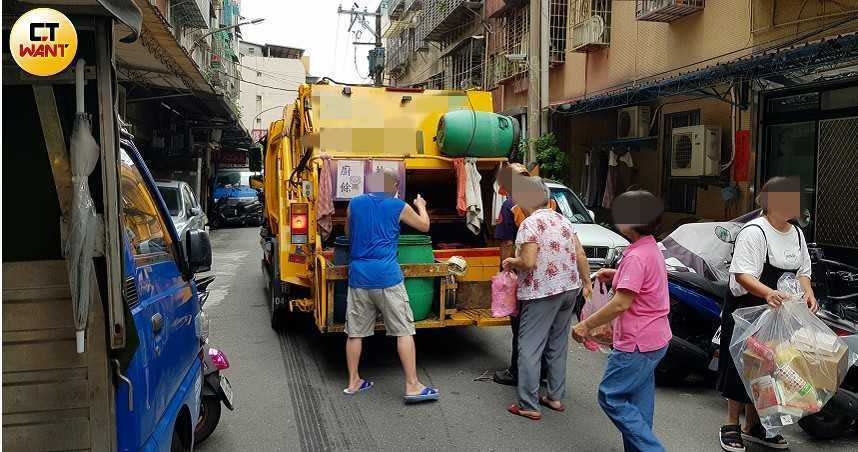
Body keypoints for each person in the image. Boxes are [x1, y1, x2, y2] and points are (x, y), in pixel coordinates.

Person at [716, 176, 817, 452]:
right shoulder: (754, 232)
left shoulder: (796, 233)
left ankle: (756, 425)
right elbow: (742, 275)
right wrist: (767, 293)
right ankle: (731, 424)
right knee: (741, 366)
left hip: (778, 313)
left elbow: (803, 271)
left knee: (771, 367)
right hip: (747, 311)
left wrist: (808, 292)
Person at [572, 190, 671, 452]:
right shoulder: (649, 247)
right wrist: (617, 274)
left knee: (611, 396)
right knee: (639, 404)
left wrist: (585, 324)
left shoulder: (636, 256)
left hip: (637, 342)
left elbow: (620, 303)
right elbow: (644, 281)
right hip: (656, 339)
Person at [343, 169, 440, 403]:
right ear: (394, 185)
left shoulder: (354, 204)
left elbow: (348, 233)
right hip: (387, 277)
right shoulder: (398, 206)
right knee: (404, 330)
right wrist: (421, 205)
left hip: (359, 276)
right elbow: (424, 227)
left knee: (355, 332)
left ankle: (353, 381)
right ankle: (412, 385)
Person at [503, 177, 591, 420]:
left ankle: (528, 404)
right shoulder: (562, 220)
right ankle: (554, 396)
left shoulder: (529, 224)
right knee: (557, 343)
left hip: (542, 291)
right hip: (569, 288)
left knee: (529, 347)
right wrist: (587, 282)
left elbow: (528, 262)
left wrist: (511, 261)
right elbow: (580, 252)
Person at [492, 163, 559, 386]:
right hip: (553, 276)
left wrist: (506, 270)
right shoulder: (550, 202)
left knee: (521, 326)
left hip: (526, 273)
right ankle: (545, 372)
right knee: (546, 329)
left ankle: (518, 372)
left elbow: (507, 243)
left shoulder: (511, 204)